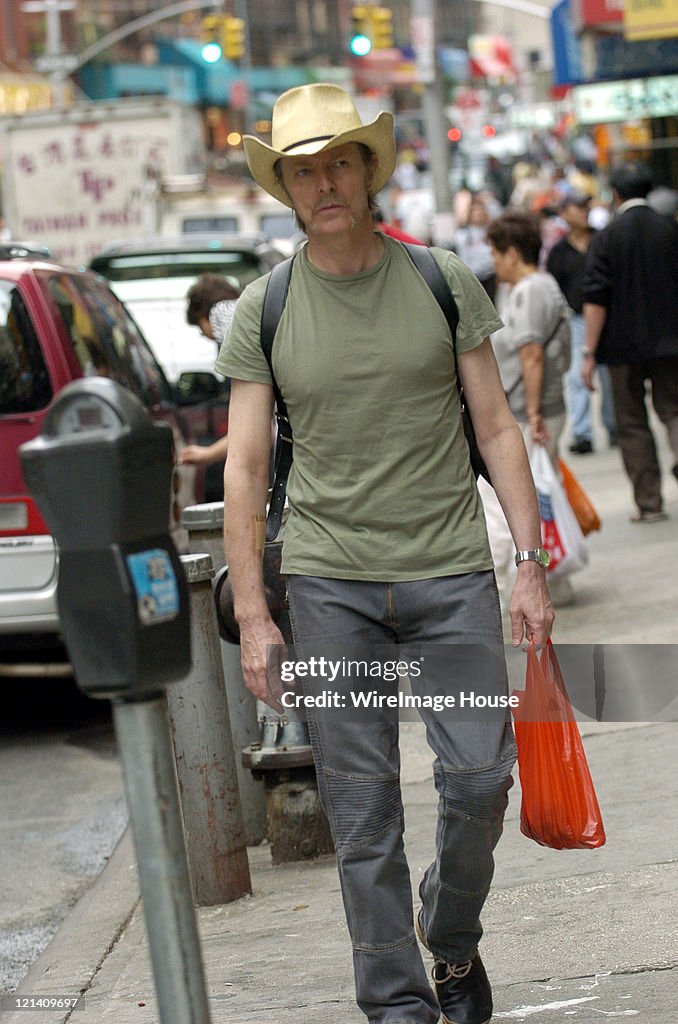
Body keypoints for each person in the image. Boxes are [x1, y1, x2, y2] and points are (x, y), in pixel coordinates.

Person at [217, 83, 554, 1024]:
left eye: (339, 162)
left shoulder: (442, 279)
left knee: (482, 779)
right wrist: (254, 615)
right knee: (362, 817)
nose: (323, 182)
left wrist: (527, 563)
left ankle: (448, 939)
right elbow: (244, 469)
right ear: (284, 187)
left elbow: (495, 426)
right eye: (302, 169)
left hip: (450, 572)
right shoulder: (266, 308)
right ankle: (397, 1005)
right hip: (330, 587)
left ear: (369, 172)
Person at [483, 211, 574, 606]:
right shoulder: (529, 288)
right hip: (530, 409)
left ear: (513, 252)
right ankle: (550, 582)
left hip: (527, 411)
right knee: (533, 496)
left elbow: (532, 355)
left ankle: (516, 585)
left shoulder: (531, 290)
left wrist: (533, 412)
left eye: (496, 252)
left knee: (517, 500)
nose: (493, 262)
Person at [582, 161, 678, 523]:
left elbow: (595, 297)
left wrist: (588, 352)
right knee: (673, 409)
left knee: (632, 421)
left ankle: (649, 503)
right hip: (672, 342)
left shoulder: (607, 237)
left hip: (621, 346)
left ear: (616, 194)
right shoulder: (669, 229)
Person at [546, 192, 616, 454]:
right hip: (575, 319)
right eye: (577, 207)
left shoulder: (603, 239)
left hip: (609, 316)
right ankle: (582, 433)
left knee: (610, 375)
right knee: (577, 376)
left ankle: (613, 427)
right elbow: (554, 288)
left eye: (586, 207)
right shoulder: (559, 251)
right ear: (564, 212)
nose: (583, 212)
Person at [181, 273, 240, 467]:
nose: (204, 334)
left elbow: (256, 427)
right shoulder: (262, 318)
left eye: (200, 325)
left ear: (209, 316)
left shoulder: (239, 340)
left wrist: (208, 454)